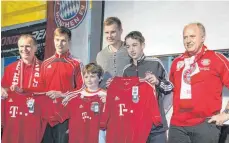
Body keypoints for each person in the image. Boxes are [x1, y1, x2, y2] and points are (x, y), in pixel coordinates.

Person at [168, 22, 229, 143]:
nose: (188, 40)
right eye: (185, 37)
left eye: (192, 36)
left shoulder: (216, 58)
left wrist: (226, 114)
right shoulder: (176, 63)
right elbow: (171, 91)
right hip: (177, 126)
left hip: (205, 124)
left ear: (202, 38)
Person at [123, 31, 173, 143]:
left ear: (143, 45)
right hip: (136, 126)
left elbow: (170, 87)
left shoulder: (155, 63)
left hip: (156, 126)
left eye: (135, 45)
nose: (131, 49)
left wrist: (157, 82)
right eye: (128, 46)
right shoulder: (126, 70)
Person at [40, 26, 84, 143]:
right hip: (47, 118)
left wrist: (62, 94)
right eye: (57, 40)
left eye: (63, 40)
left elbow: (83, 90)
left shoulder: (76, 63)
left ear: (69, 42)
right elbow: (40, 90)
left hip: (66, 116)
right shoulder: (45, 64)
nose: (60, 43)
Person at [56, 63, 106, 143]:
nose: (89, 80)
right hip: (78, 138)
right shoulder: (74, 97)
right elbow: (60, 115)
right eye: (86, 77)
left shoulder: (106, 96)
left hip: (98, 138)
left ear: (100, 78)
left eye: (92, 76)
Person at [96, 17, 130, 88]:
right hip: (107, 97)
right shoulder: (100, 55)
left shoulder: (130, 50)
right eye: (107, 32)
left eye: (113, 32)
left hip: (128, 95)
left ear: (121, 31)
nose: (109, 36)